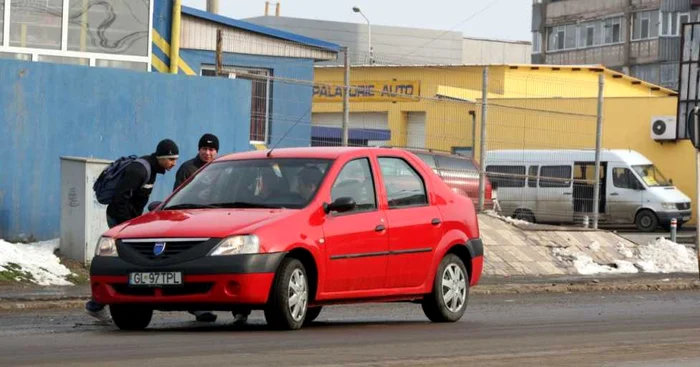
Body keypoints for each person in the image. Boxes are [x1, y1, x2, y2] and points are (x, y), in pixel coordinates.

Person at [86, 139, 180, 322]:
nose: (173, 164)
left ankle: (103, 303)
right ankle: (96, 304)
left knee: (131, 264)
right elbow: (121, 199)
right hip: (122, 222)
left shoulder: (151, 170)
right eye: (171, 159)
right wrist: (126, 227)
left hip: (130, 223)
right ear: (161, 157)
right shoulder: (139, 170)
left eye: (175, 159)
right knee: (127, 263)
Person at [171, 134, 222, 323]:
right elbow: (178, 195)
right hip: (191, 221)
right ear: (198, 149)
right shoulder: (187, 169)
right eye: (204, 149)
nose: (207, 153)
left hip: (217, 221)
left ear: (216, 151)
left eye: (211, 150)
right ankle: (198, 307)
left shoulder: (222, 169)